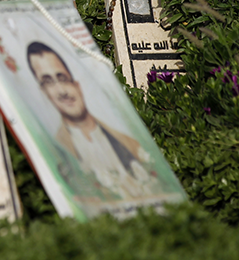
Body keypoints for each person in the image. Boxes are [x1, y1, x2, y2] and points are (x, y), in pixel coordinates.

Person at [26, 41, 158, 199]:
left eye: (62, 78)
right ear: (44, 92)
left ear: (77, 85)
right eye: (48, 82)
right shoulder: (58, 153)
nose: (61, 91)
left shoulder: (130, 143)